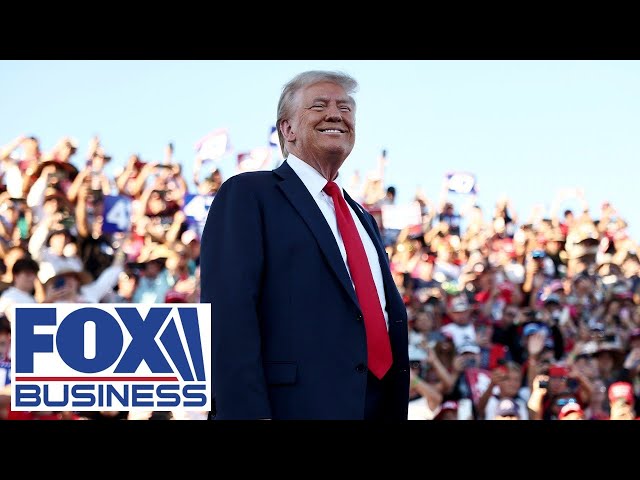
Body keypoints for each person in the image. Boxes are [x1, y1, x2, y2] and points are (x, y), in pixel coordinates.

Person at [200, 70, 409, 420]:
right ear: (288, 129)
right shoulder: (250, 194)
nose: (335, 114)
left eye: (345, 107)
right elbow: (228, 315)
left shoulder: (363, 218)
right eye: (319, 105)